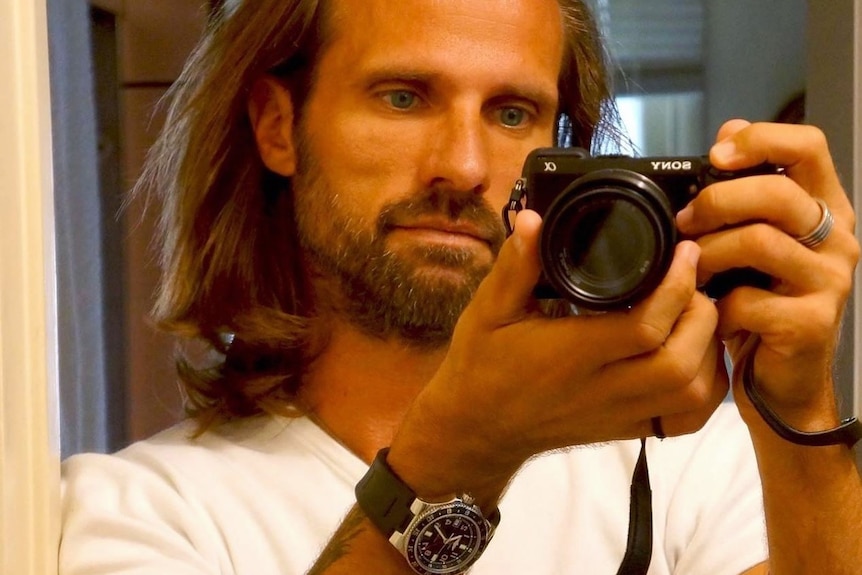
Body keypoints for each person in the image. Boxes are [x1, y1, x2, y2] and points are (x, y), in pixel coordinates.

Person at [60, 0, 862, 573]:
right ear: (278, 126)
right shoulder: (137, 510)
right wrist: (455, 461)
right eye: (404, 97)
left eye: (512, 113)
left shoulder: (693, 466)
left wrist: (797, 413)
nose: (465, 166)